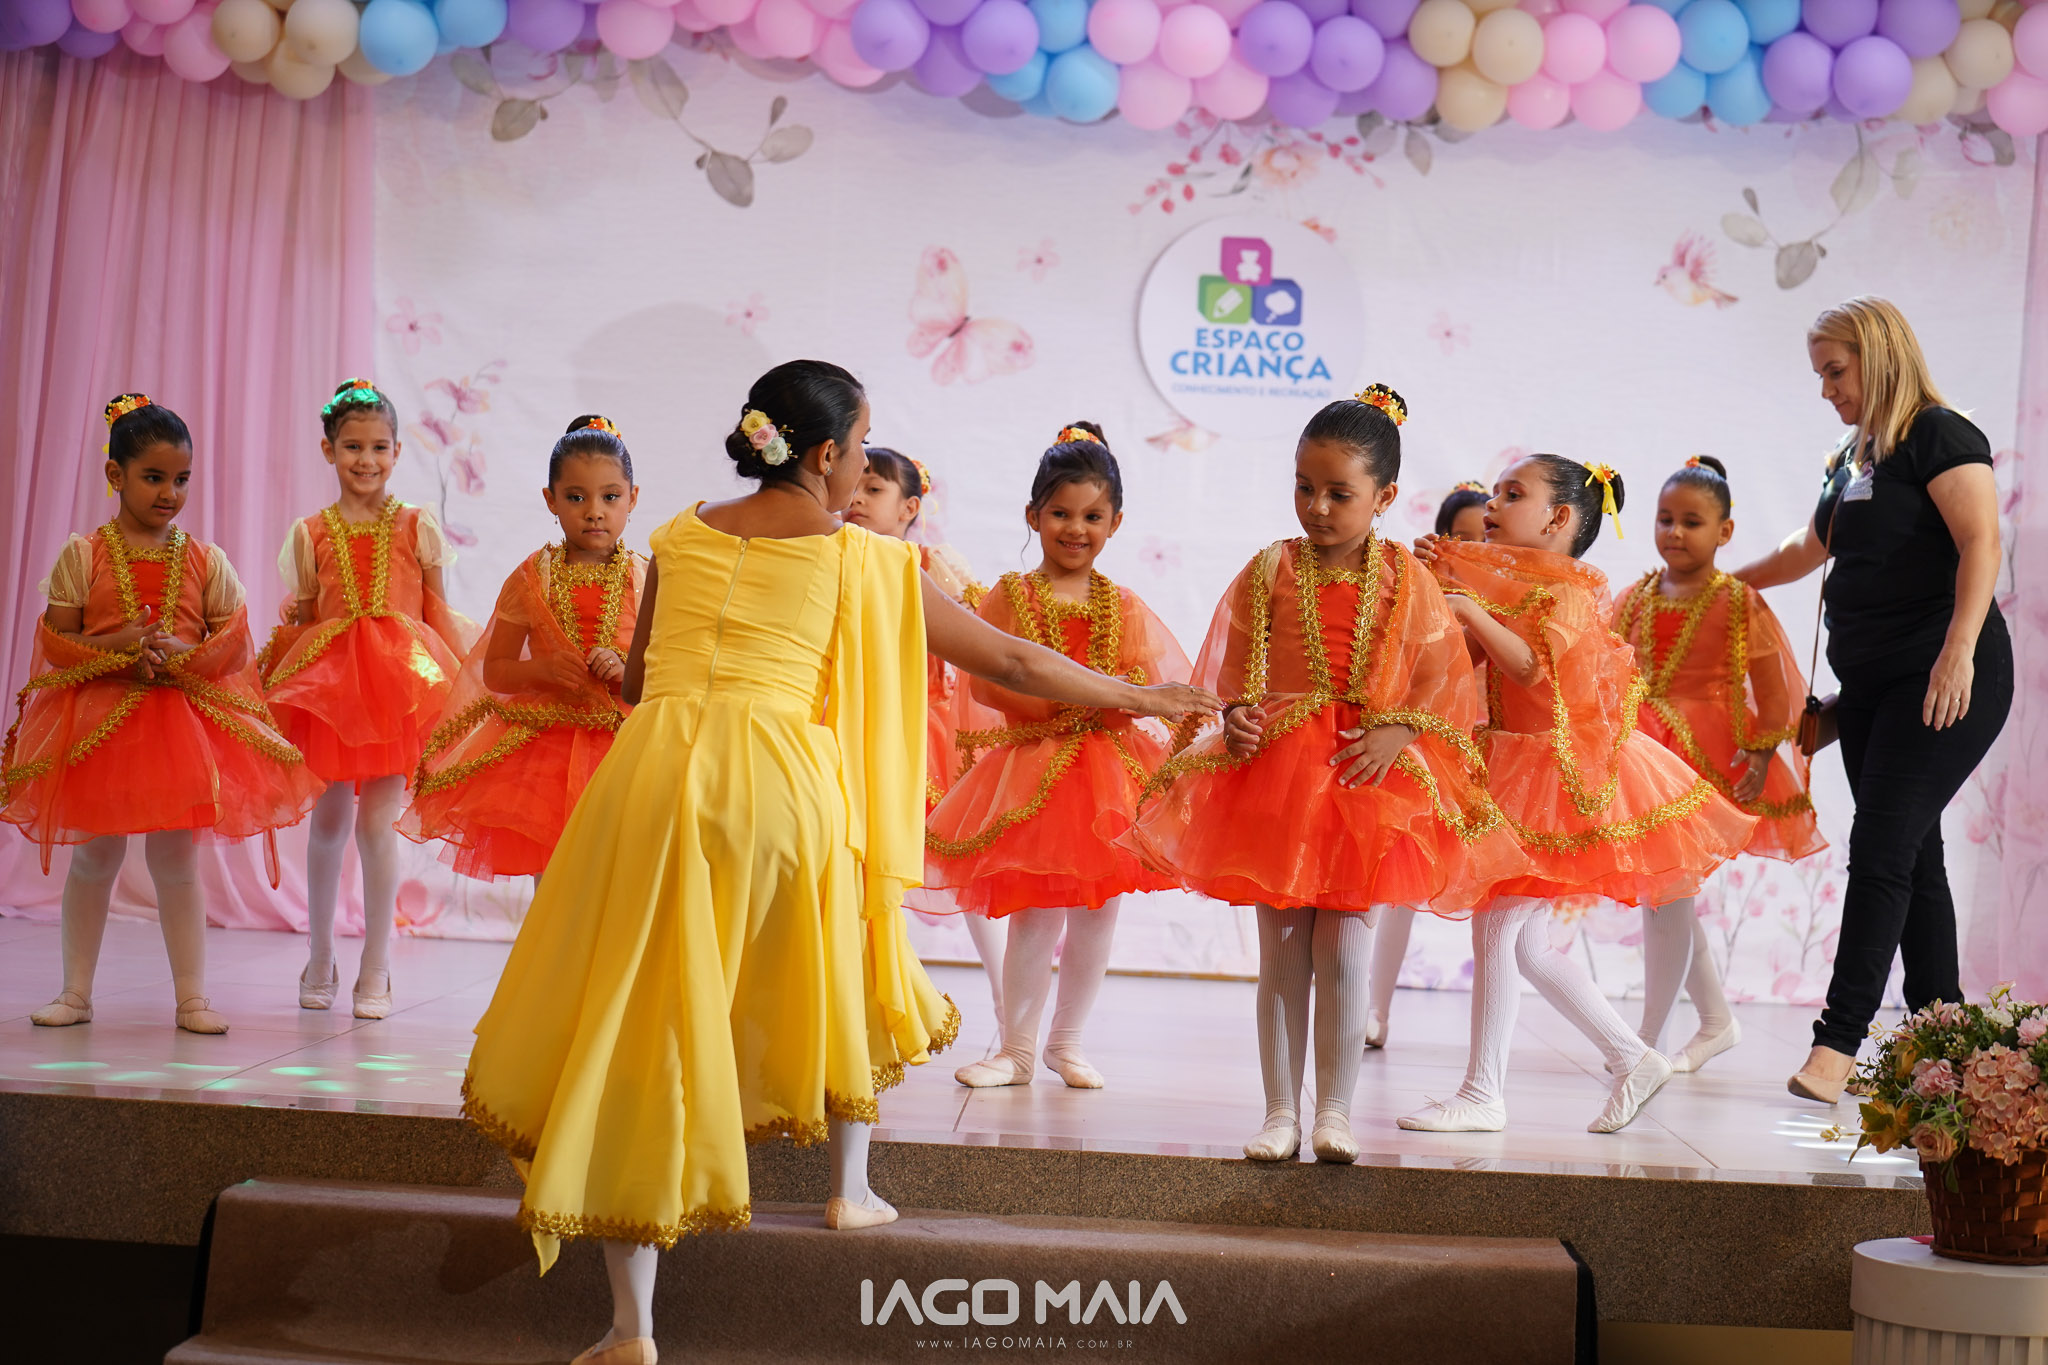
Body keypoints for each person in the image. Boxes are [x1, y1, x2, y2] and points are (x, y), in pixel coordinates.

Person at [458, 361, 1218, 1365]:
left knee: (637, 1018)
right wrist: (1143, 696)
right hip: (779, 788)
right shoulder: (866, 560)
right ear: (824, 454)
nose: (862, 467)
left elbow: (638, 682)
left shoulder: (677, 535)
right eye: (860, 448)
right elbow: (1010, 660)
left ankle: (631, 1327)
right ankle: (846, 1186)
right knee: (834, 974)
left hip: (647, 783)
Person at [1132, 389, 1523, 1163]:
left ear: (1384, 497)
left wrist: (1401, 729)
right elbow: (1235, 668)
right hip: (1277, 777)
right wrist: (1238, 716)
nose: (1317, 506)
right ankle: (1281, 1112)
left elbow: (1442, 676)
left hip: (1362, 781)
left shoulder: (1406, 577)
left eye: (1339, 493)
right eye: (1305, 487)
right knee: (1282, 953)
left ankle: (1335, 1113)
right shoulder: (1269, 567)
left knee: (1344, 952)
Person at [1399, 454, 1756, 1134]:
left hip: (1553, 776)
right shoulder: (1512, 587)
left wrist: (1469, 606)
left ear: (1558, 518)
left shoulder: (1566, 593)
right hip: (1515, 767)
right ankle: (1631, 1057)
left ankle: (1485, 1091)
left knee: (1500, 926)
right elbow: (1472, 662)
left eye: (1512, 494)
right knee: (1527, 944)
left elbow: (1531, 667)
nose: (1492, 504)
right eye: (1495, 493)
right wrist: (1440, 593)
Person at [1734, 297, 2011, 1104]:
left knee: (1883, 846)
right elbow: (1809, 546)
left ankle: (1838, 1042)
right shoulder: (1850, 457)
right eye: (1820, 374)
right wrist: (1723, 585)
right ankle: (1946, 1050)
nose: (1826, 389)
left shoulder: (1939, 434)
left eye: (1835, 371)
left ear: (1879, 356)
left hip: (1944, 673)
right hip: (1869, 689)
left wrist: (1958, 651)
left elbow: (1982, 542)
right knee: (1915, 858)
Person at [3, 395, 321, 1033]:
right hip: (98, 729)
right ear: (115, 475)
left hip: (177, 729)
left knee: (175, 863)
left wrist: (184, 653)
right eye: (153, 477)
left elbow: (233, 643)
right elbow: (56, 641)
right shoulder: (84, 556)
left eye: (181, 480)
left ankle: (192, 997)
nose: (170, 493)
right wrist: (119, 647)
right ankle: (75, 992)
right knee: (96, 859)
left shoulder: (205, 559)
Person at [925, 425, 1193, 1092]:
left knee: (1099, 910)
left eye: (1093, 517)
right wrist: (1062, 703)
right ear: (1033, 515)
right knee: (1034, 911)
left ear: (1116, 522)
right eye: (1061, 514)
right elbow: (989, 683)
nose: (1076, 529)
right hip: (1033, 768)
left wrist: (1121, 702)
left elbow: (1141, 682)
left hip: (1107, 772)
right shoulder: (1009, 596)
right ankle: (1016, 1049)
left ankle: (1066, 1041)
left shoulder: (1123, 604)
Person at [262, 380, 475, 1020]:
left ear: (398, 451)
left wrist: (460, 686)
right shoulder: (310, 533)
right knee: (328, 823)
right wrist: (280, 672)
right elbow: (305, 617)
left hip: (396, 693)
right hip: (330, 695)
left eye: (379, 447)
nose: (366, 459)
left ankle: (376, 965)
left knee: (378, 824)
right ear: (328, 450)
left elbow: (435, 610)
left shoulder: (416, 525)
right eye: (352, 446)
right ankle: (320, 955)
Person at [1611, 455, 1826, 1073]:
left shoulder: (1738, 602)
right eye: (1665, 519)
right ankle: (1712, 1022)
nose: (1675, 533)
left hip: (1706, 761)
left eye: (1692, 522)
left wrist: (1761, 747)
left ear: (1724, 532)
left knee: (1668, 892)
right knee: (1666, 894)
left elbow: (1773, 684)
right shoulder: (1635, 597)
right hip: (1645, 759)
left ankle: (1648, 1040)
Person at [400, 416, 644, 882]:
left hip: (625, 747)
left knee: (615, 880)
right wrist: (542, 669)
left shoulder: (646, 578)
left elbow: (670, 671)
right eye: (577, 497)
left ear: (633, 498)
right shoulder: (532, 577)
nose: (595, 512)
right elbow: (496, 671)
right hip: (544, 752)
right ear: (551, 500)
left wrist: (626, 669)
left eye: (610, 497)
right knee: (552, 881)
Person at [843, 449, 1008, 1027]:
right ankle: (870, 995)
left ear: (909, 507)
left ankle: (1008, 1006)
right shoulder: (836, 555)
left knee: (962, 865)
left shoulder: (931, 564)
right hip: (854, 721)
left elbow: (979, 634)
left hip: (923, 726)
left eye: (875, 489)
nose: (858, 498)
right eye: (854, 486)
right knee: (862, 861)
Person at [1365, 478, 1496, 1051]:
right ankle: (1374, 1010)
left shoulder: (1506, 596)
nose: (1472, 549)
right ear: (1440, 539)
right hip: (1429, 743)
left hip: (1491, 751)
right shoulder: (1419, 587)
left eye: (1484, 537)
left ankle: (1487, 1044)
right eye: (1459, 537)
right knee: (1399, 880)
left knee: (1496, 904)